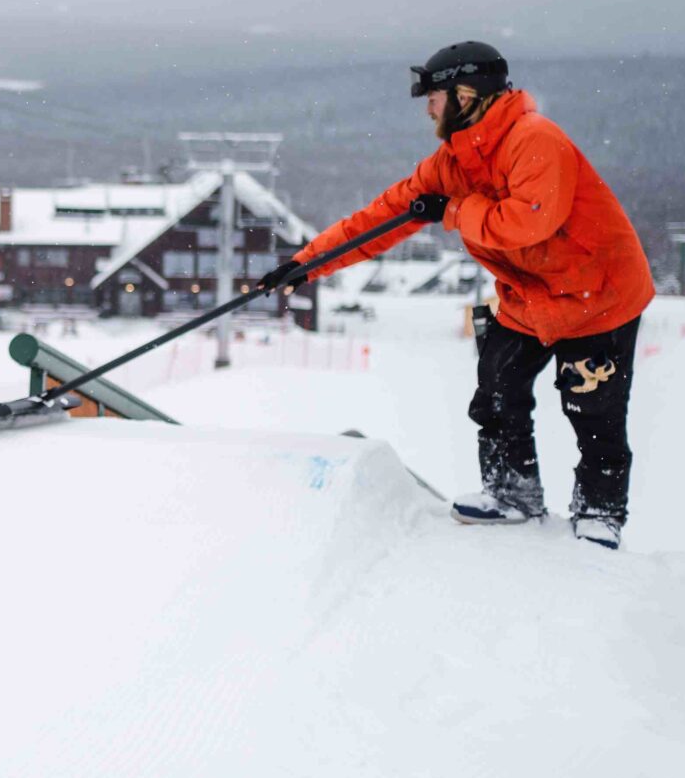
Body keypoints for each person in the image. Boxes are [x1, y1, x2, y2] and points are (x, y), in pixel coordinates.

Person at [264, 41, 654, 548]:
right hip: (531, 295)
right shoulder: (456, 159)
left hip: (598, 295)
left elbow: (527, 223)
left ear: (467, 95)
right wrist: (306, 264)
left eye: (435, 96)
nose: (428, 107)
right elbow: (386, 216)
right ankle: (513, 493)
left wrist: (451, 211)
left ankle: (600, 513)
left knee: (593, 409)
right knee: (497, 386)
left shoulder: (534, 140)